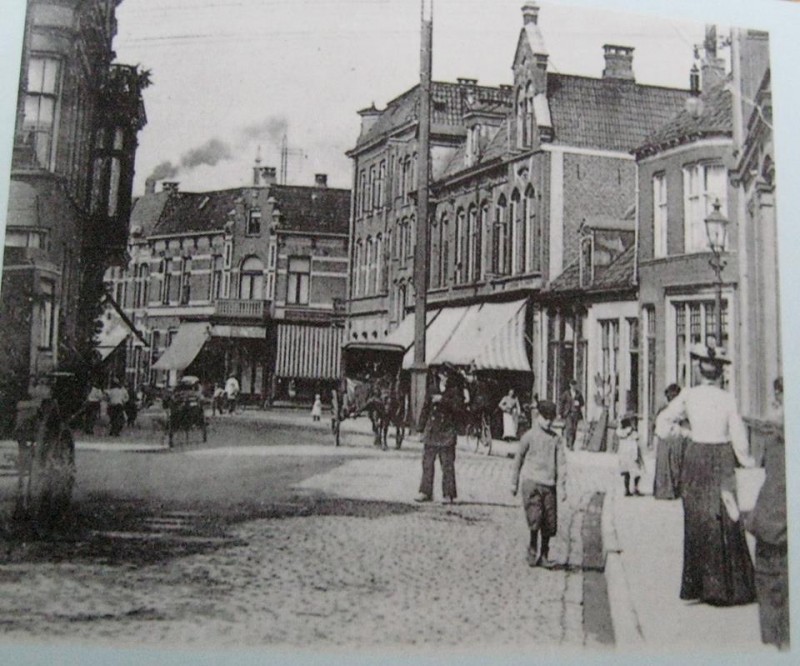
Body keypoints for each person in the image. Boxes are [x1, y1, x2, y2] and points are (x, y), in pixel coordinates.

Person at [657, 343, 756, 606]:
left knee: (698, 517)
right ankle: (730, 587)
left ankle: (699, 586)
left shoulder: (689, 396)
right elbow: (739, 438)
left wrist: (686, 434)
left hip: (696, 457)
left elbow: (662, 424)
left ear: (700, 371)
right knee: (727, 515)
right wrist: (746, 461)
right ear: (720, 373)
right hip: (722, 456)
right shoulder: (728, 398)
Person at [739, 376, 789, 650]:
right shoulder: (775, 440)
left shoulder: (779, 444)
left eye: (779, 399)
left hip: (778, 535)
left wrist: (756, 520)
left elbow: (774, 505)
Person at [511, 400, 566, 568]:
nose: (549, 422)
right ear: (538, 416)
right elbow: (518, 458)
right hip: (532, 482)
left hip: (549, 484)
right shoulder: (529, 436)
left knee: (549, 522)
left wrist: (562, 486)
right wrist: (514, 482)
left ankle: (544, 553)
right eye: (546, 418)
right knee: (535, 516)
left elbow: (561, 464)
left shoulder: (556, 439)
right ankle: (533, 546)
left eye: (551, 419)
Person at [415, 366, 464, 504]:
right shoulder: (432, 389)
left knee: (447, 464)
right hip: (432, 430)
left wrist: (442, 400)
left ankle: (448, 494)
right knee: (427, 463)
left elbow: (459, 408)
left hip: (447, 431)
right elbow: (425, 408)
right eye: (443, 373)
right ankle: (425, 491)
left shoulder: (455, 391)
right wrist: (420, 428)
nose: (444, 376)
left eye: (447, 374)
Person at [653, 383, 690, 500]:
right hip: (671, 437)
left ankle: (664, 490)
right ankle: (671, 490)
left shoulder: (666, 409)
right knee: (673, 465)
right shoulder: (676, 408)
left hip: (664, 438)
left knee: (665, 465)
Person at [616, 413, 643, 497]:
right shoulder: (632, 432)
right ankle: (635, 488)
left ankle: (626, 490)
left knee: (626, 473)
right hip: (633, 454)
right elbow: (637, 439)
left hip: (624, 455)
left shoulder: (620, 432)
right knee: (637, 472)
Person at [559, 379, 584, 451]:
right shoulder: (566, 393)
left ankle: (572, 443)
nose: (573, 386)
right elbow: (561, 403)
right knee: (569, 427)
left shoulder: (578, 394)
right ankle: (569, 443)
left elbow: (582, 403)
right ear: (570, 385)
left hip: (576, 413)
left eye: (575, 385)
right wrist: (560, 413)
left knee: (574, 429)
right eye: (572, 385)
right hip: (568, 413)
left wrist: (578, 404)